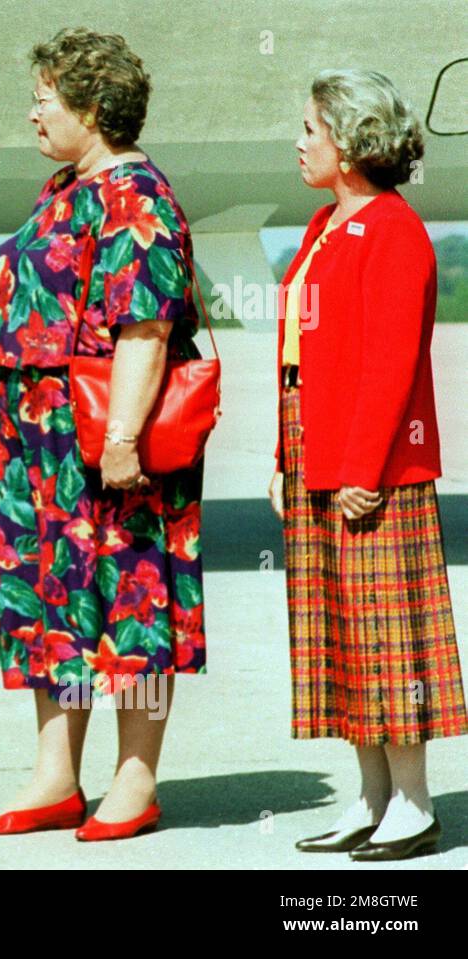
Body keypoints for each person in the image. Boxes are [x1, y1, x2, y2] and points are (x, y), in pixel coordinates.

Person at [0, 28, 206, 841]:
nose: (35, 112)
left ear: (95, 108)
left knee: (134, 603)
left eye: (48, 98)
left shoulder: (134, 197)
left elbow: (144, 331)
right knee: (50, 602)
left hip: (105, 440)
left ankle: (135, 780)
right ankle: (55, 777)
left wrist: (121, 441)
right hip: (40, 449)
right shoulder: (66, 189)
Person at [271, 69, 466, 862]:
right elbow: (300, 355)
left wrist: (362, 466)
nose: (300, 141)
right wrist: (289, 459)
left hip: (371, 466)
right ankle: (372, 796)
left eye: (312, 128)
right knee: (340, 636)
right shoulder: (325, 223)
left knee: (389, 638)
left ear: (350, 142)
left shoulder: (393, 228)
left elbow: (391, 363)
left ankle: (414, 802)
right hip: (318, 452)